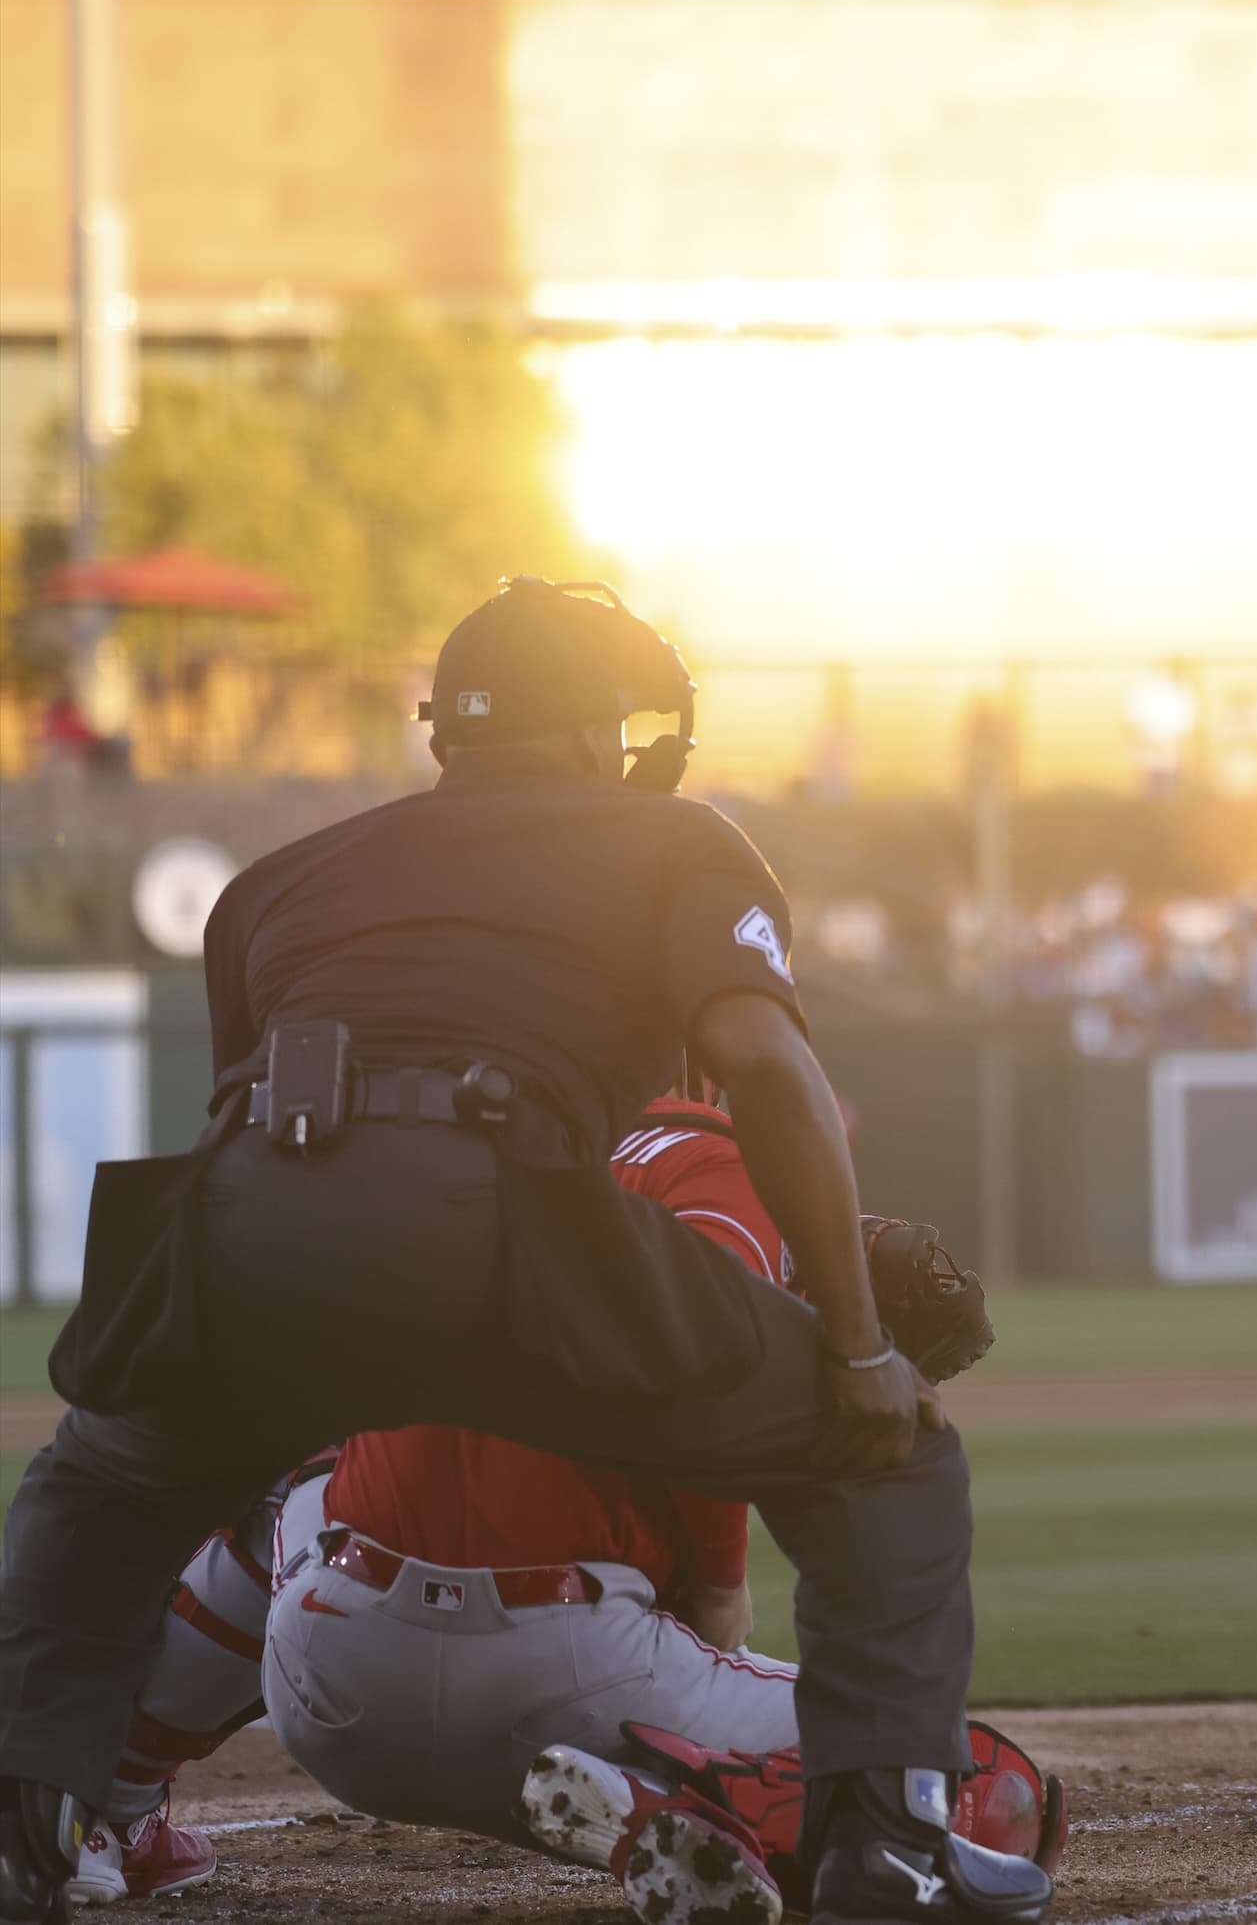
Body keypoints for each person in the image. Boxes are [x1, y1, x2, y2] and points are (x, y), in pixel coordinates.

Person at [0, 577, 1048, 1925]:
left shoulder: (269, 880)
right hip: (510, 1222)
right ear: (603, 729)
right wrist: (852, 1339)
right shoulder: (672, 841)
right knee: (888, 1458)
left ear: (445, 729)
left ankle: (30, 1827)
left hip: (250, 1222)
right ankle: (880, 1847)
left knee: (95, 1491)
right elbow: (762, 1064)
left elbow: (244, 1125)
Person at [85, 1098, 1049, 1924]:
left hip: (328, 1668)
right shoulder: (712, 1156)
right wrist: (718, 1579)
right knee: (969, 1778)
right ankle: (693, 1804)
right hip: (569, 1667)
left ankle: (103, 1807)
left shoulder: (450, 1147)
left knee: (300, 1479)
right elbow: (705, 1362)